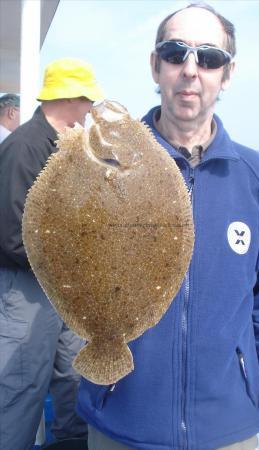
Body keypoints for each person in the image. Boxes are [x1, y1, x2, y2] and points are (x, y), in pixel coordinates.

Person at [76, 3, 259, 450]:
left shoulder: (256, 178)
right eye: (175, 53)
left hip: (227, 428)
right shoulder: (97, 164)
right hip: (120, 417)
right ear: (155, 66)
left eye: (210, 57)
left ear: (227, 73)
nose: (191, 69)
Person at [0, 57, 103, 450]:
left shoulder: (66, 146)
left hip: (64, 290)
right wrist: (73, 264)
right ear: (72, 98)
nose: (92, 109)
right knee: (22, 387)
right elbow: (11, 236)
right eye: (89, 101)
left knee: (74, 377)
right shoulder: (24, 148)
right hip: (26, 289)